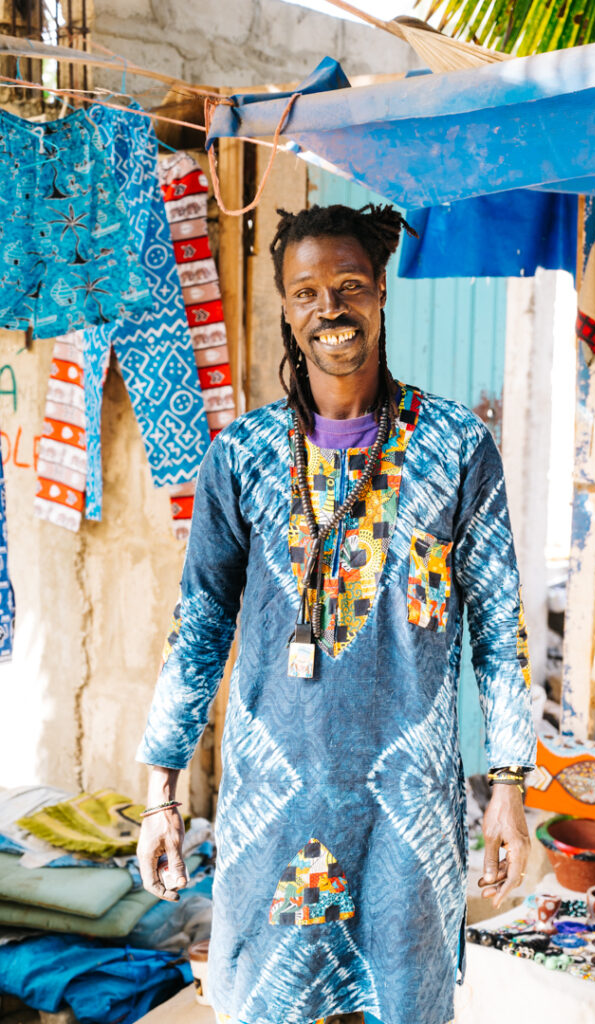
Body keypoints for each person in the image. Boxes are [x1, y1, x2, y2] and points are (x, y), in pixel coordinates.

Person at [136, 203, 536, 1024]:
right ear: (286, 306)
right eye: (306, 291)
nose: (331, 310)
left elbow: (500, 624)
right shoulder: (240, 457)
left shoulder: (457, 449)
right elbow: (199, 629)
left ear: (381, 291)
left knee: (398, 1003)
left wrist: (508, 785)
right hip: (271, 812)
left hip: (405, 816)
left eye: (349, 285)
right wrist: (159, 794)